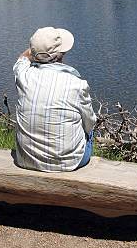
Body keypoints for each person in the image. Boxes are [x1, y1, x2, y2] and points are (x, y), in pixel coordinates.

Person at [13, 26, 97, 172]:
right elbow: (89, 124)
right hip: (69, 163)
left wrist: (36, 49)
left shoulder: (23, 76)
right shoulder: (77, 84)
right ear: (61, 54)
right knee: (89, 129)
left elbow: (21, 59)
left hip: (25, 160)